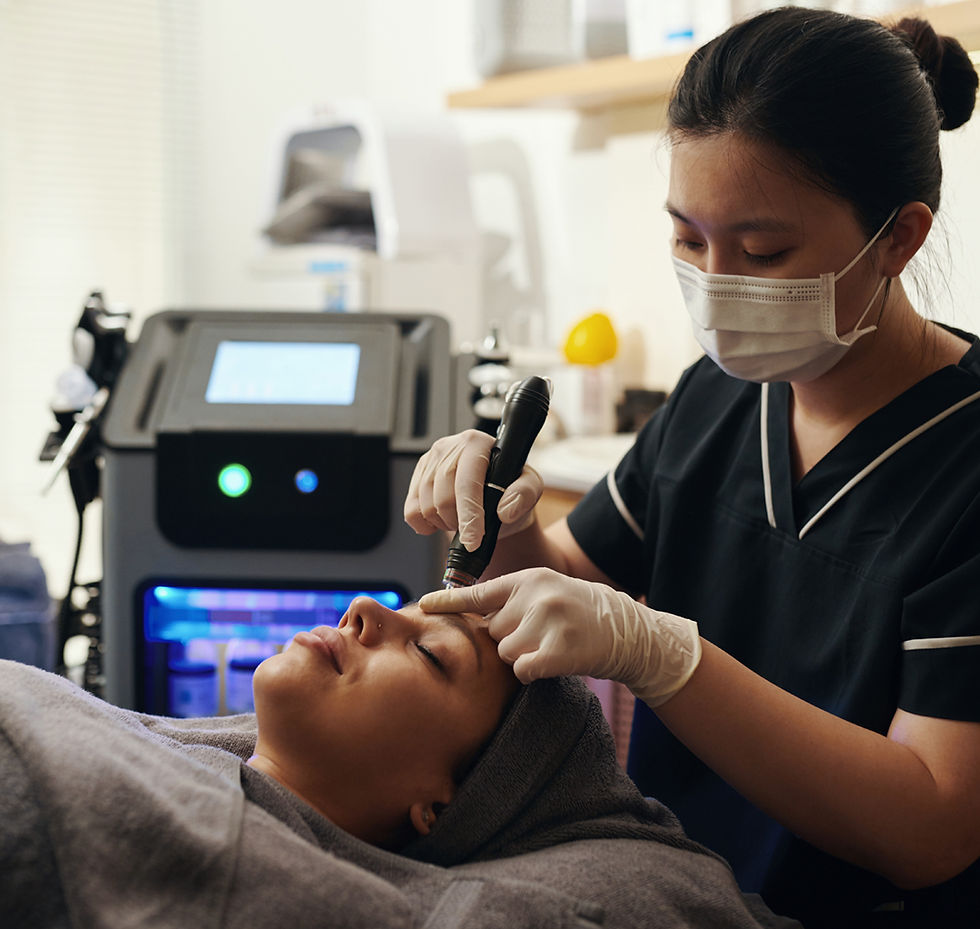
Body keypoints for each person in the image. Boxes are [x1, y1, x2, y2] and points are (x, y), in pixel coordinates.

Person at [407, 8, 980, 928]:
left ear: (899, 240)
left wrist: (666, 657)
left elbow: (934, 822)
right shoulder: (720, 397)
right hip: (669, 894)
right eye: (687, 239)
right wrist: (506, 522)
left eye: (764, 252)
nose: (717, 285)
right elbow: (568, 585)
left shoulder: (963, 462)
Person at [0, 597, 799, 928]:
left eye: (428, 652)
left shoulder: (227, 862)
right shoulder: (160, 745)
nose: (366, 609)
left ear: (437, 803)